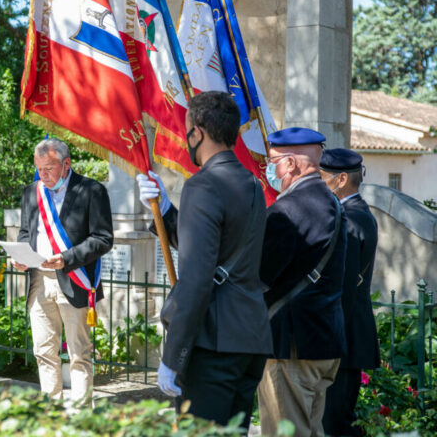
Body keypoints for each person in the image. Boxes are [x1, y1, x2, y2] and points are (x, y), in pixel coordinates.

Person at [135, 91, 272, 429]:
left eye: (187, 131)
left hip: (212, 345)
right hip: (249, 341)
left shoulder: (203, 185)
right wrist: (166, 211)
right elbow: (215, 250)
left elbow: (196, 279)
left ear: (197, 132)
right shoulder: (253, 184)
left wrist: (173, 356)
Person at [258, 127, 348, 437]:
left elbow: (259, 275)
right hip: (323, 340)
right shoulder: (332, 203)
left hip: (290, 346)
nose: (270, 170)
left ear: (292, 164)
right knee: (310, 430)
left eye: (274, 162)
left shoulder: (288, 209)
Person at [12, 138, 113, 403]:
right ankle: (51, 411)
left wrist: (67, 258)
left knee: (79, 353)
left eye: (49, 169)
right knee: (43, 351)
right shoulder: (31, 193)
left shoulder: (91, 190)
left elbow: (103, 238)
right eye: (39, 169)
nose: (42, 176)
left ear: (66, 164)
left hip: (74, 279)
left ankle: (81, 417)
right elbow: (26, 233)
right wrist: (21, 257)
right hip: (39, 282)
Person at [320, 149, 380, 437]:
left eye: (322, 177)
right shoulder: (354, 213)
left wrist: (330, 335)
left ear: (341, 179)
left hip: (344, 337)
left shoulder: (350, 219)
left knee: (335, 423)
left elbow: (344, 286)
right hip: (346, 335)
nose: (319, 183)